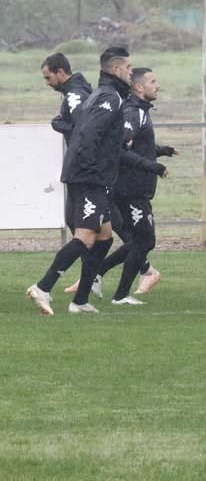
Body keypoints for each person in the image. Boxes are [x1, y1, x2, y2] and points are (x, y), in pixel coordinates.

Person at [26, 47, 132, 315]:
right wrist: (91, 172)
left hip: (93, 176)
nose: (131, 73)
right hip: (88, 177)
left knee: (105, 237)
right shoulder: (108, 97)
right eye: (129, 69)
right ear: (117, 70)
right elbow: (86, 133)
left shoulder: (103, 94)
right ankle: (43, 287)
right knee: (85, 237)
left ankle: (81, 300)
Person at [88, 67, 175, 304]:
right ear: (139, 87)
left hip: (136, 189)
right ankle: (119, 294)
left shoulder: (141, 112)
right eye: (153, 81)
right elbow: (119, 150)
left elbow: (138, 148)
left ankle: (101, 274)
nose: (157, 85)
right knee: (144, 240)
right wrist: (151, 166)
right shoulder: (133, 113)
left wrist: (161, 152)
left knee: (142, 240)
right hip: (129, 190)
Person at [40, 52, 92, 234]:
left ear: (61, 72)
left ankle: (139, 260)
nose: (47, 82)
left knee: (79, 221)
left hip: (83, 166)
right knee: (79, 221)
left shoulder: (74, 95)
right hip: (84, 164)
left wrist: (59, 123)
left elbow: (83, 128)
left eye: (48, 77)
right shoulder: (75, 91)